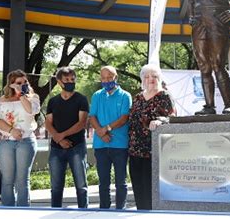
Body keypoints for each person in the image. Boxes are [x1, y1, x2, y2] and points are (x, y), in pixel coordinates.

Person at [128, 64, 175, 210]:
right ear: (142, 79)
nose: (151, 79)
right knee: (138, 188)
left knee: (151, 190)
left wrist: (160, 120)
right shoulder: (137, 98)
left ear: (159, 78)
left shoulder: (165, 96)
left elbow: (172, 117)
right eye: (147, 76)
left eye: (154, 76)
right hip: (135, 150)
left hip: (154, 151)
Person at [0, 69, 40, 206]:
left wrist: (22, 94)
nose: (23, 84)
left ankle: (24, 212)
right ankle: (8, 212)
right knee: (7, 180)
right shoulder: (3, 100)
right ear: (11, 84)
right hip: (7, 142)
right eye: (19, 83)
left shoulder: (33, 97)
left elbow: (31, 110)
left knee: (22, 180)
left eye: (25, 82)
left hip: (26, 141)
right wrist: (11, 130)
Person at [45, 67, 89, 208]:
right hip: (56, 149)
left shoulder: (81, 99)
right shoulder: (53, 101)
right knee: (56, 187)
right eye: (67, 80)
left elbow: (81, 123)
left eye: (72, 79)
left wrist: (61, 136)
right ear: (59, 82)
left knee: (81, 187)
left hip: (77, 147)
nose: (70, 82)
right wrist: (58, 139)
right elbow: (48, 122)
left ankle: (83, 214)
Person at [89, 66, 132, 209]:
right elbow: (92, 116)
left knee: (121, 182)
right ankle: (104, 210)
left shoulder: (125, 96)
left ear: (116, 77)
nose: (106, 81)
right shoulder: (96, 95)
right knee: (103, 183)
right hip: (101, 145)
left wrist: (106, 129)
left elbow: (124, 118)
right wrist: (101, 133)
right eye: (103, 78)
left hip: (120, 145)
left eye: (109, 77)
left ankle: (120, 210)